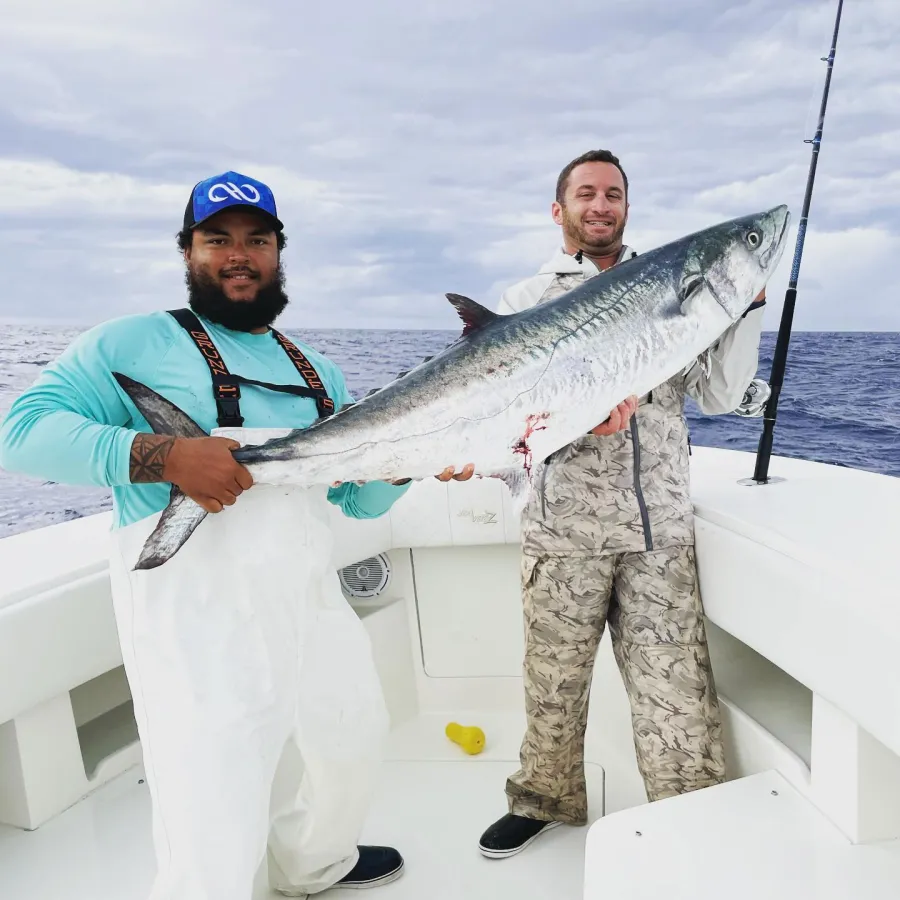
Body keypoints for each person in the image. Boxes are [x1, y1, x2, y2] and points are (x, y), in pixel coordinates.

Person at [0, 171, 473, 900]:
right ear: (188, 250)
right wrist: (163, 456)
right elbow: (21, 431)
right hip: (191, 610)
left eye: (257, 240)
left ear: (280, 252)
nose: (238, 255)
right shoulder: (131, 342)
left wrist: (410, 463)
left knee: (350, 734)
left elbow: (356, 499)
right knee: (211, 790)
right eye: (217, 239)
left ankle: (314, 864)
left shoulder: (317, 369)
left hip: (306, 595)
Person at [478, 150, 768, 859]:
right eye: (586, 193)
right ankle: (543, 799)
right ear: (560, 209)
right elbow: (505, 417)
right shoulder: (525, 298)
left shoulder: (678, 286)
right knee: (553, 685)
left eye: (613, 194)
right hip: (562, 530)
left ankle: (691, 814)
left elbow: (720, 396)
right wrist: (578, 425)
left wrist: (745, 311)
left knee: (678, 692)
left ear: (627, 208)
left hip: (658, 528)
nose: (601, 205)